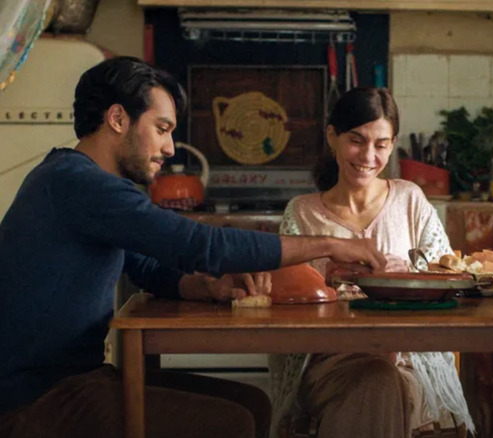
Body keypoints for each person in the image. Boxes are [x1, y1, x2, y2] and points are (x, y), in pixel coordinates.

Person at [0, 56, 386, 438]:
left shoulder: (84, 183)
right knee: (232, 422)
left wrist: (206, 287)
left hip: (74, 380)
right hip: (34, 399)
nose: (170, 148)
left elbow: (147, 266)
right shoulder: (77, 183)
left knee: (254, 404)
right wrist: (331, 244)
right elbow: (202, 245)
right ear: (118, 119)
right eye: (162, 129)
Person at [268, 87, 474, 438]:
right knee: (376, 381)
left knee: (384, 381)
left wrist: (407, 276)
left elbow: (449, 276)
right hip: (331, 361)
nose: (368, 155)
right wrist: (324, 281)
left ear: (393, 145)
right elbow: (281, 302)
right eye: (356, 140)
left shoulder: (411, 200)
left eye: (381, 144)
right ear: (332, 137)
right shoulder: (301, 213)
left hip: (413, 360)